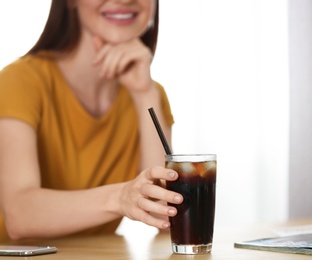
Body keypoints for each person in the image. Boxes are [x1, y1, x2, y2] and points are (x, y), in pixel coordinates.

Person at [0, 0, 183, 242]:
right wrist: (120, 197)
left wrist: (143, 93)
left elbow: (164, 214)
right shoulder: (19, 82)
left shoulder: (151, 94)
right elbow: (20, 216)